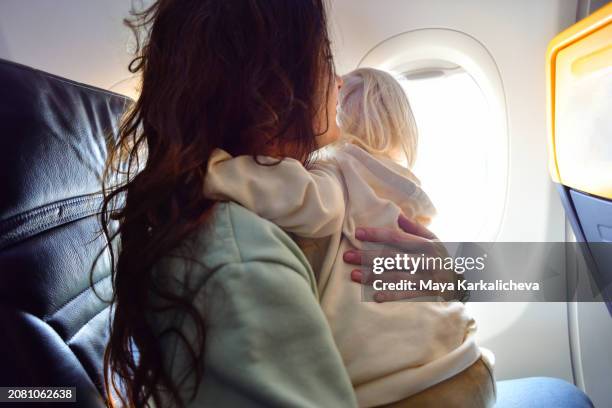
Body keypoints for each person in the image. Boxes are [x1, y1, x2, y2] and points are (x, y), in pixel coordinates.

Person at [203, 66, 495, 407]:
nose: (336, 79)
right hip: (463, 358)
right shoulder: (406, 190)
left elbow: (292, 194)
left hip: (408, 386)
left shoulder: (336, 170)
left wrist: (214, 171)